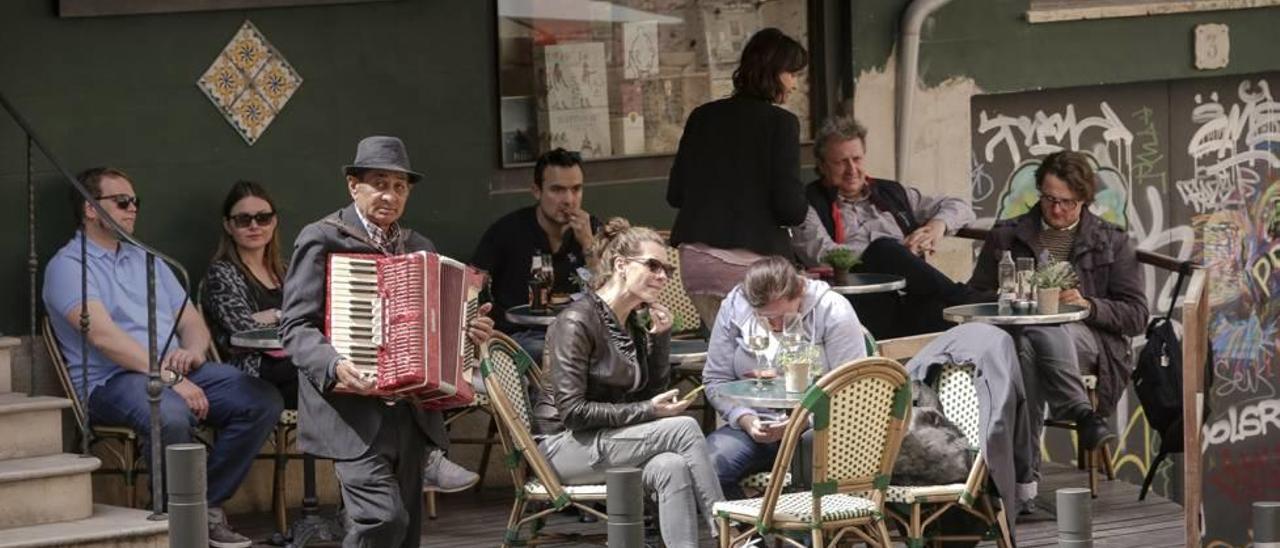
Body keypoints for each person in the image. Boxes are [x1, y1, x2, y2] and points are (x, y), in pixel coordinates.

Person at [43, 167, 282, 548]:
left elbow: (192, 320)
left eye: (135, 201)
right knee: (169, 411)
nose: (132, 208)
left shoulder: (145, 259)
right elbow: (106, 339)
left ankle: (204, 506)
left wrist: (191, 352)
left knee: (259, 398)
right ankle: (174, 524)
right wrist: (171, 380)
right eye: (122, 202)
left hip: (171, 371)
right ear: (90, 209)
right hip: (111, 381)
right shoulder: (69, 267)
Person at [280, 136, 495, 547]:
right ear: (353, 185)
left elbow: (440, 334)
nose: (390, 195)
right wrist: (332, 363)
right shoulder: (324, 239)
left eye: (399, 187)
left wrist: (469, 333)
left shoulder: (418, 248)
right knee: (382, 519)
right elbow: (295, 327)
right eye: (379, 183)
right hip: (351, 410)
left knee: (407, 532)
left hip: (410, 416)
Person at [534, 218, 724, 548]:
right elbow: (572, 412)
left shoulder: (632, 321)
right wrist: (648, 409)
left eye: (667, 269)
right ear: (621, 265)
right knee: (684, 428)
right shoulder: (577, 321)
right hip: (563, 447)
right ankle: (729, 535)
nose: (663, 276)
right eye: (653, 265)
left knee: (672, 465)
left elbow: (649, 396)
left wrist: (660, 342)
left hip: (608, 440)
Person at [968, 150, 1144, 505]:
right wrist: (1005, 295)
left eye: (1067, 202)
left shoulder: (1111, 240)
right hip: (1019, 336)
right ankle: (1081, 414)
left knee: (1046, 331)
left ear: (1084, 200)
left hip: (1087, 337)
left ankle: (1022, 484)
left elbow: (1137, 315)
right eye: (1049, 199)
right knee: (1027, 348)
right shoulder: (1007, 235)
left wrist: (1087, 304)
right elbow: (974, 294)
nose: (1057, 210)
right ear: (1039, 193)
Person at [667, 27, 810, 328]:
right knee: (788, 346)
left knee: (727, 352)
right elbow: (791, 209)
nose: (795, 84)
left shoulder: (701, 116)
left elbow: (676, 194)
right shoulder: (781, 124)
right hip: (754, 269)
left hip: (696, 265)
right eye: (791, 73)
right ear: (772, 72)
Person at [791, 116, 978, 337]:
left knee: (953, 322)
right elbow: (821, 254)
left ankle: (971, 313)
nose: (852, 169)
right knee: (884, 249)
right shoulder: (808, 203)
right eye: (841, 162)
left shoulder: (891, 193)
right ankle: (969, 300)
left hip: (910, 298)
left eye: (857, 159)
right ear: (822, 166)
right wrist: (892, 254)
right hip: (857, 304)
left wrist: (936, 227)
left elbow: (961, 206)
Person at [701, 256, 867, 499]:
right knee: (707, 466)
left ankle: (811, 535)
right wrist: (744, 418)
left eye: (780, 316)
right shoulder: (735, 306)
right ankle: (747, 536)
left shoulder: (833, 310)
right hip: (759, 424)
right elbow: (715, 379)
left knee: (811, 462)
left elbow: (853, 388)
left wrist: (802, 421)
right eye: (764, 318)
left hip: (821, 426)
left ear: (800, 291)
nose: (774, 325)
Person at [472, 148, 600, 363]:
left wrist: (589, 245)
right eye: (557, 190)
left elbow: (611, 292)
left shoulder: (593, 230)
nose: (569, 200)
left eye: (576, 189)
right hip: (520, 336)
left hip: (577, 332)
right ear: (537, 191)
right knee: (552, 353)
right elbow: (472, 280)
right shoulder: (508, 230)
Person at [201, 180, 298, 408]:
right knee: (317, 370)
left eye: (262, 218)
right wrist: (280, 314)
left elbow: (313, 316)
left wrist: (269, 317)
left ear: (273, 222)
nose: (254, 226)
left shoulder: (285, 270)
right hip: (252, 373)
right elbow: (243, 330)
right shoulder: (221, 273)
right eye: (243, 220)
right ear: (228, 226)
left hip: (291, 363)